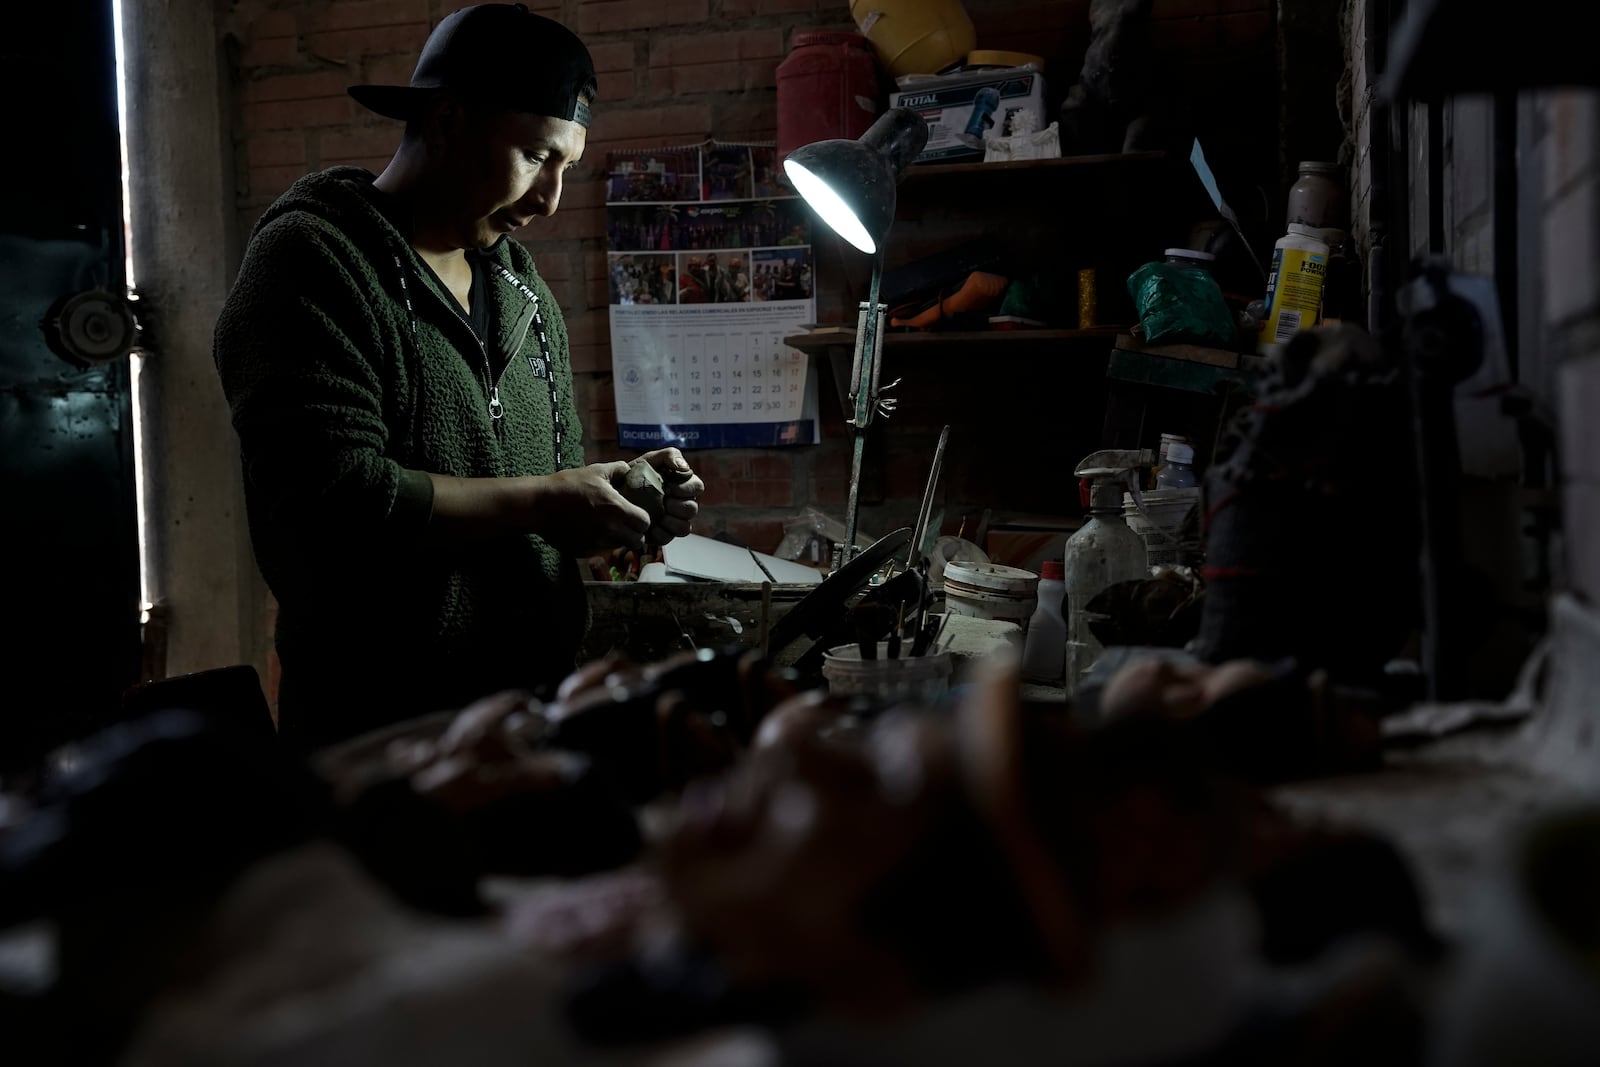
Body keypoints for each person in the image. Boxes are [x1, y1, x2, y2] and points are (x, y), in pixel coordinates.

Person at [213, 4, 705, 752]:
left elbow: (543, 491)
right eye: (537, 157)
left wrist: (614, 500)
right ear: (446, 123)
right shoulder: (313, 262)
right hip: (382, 733)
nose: (551, 199)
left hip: (529, 717)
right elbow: (338, 497)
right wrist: (548, 500)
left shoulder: (522, 291)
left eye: (566, 166)